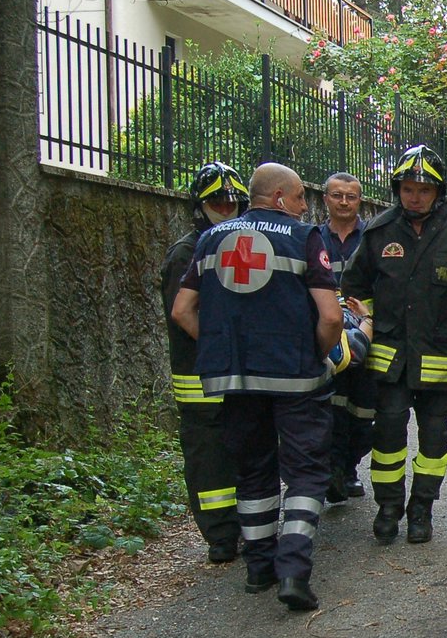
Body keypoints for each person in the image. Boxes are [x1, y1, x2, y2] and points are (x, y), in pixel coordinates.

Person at [170, 163, 343, 612]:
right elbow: (330, 316)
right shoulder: (303, 237)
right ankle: (293, 572)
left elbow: (182, 311)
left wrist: (219, 347)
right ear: (281, 197)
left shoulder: (210, 239)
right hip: (295, 376)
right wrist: (319, 354)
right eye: (302, 198)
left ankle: (258, 569)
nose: (307, 206)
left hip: (237, 379)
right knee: (305, 473)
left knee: (253, 473)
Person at [340, 144, 447, 546]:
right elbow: (355, 288)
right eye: (408, 189)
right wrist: (370, 323)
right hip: (390, 359)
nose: (415, 196)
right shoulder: (379, 232)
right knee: (388, 435)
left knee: (434, 440)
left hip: (438, 358)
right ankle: (388, 508)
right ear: (398, 189)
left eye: (423, 190)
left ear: (438, 192)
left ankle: (422, 509)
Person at [160, 162, 246, 565]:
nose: (225, 209)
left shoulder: (239, 245)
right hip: (200, 374)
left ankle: (242, 526)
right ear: (200, 205)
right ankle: (220, 536)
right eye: (217, 202)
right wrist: (221, 349)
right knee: (208, 457)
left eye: (232, 201)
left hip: (232, 371)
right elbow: (183, 313)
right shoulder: (186, 253)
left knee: (240, 448)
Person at [314, 172, 374, 503]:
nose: (344, 202)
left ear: (359, 200)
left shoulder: (373, 238)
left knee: (364, 412)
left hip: (367, 334)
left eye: (350, 196)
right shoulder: (313, 238)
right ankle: (335, 471)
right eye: (337, 195)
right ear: (325, 199)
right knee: (332, 410)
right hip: (328, 336)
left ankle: (350, 466)